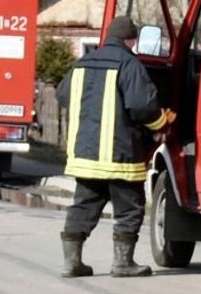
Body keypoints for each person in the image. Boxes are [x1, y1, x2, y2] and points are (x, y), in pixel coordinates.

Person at [57, 16, 173, 278]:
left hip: (85, 156)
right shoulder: (129, 64)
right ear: (130, 40)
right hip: (120, 156)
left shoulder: (82, 64)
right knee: (129, 208)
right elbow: (143, 107)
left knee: (83, 206)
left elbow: (63, 95)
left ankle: (71, 263)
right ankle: (122, 264)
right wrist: (161, 124)